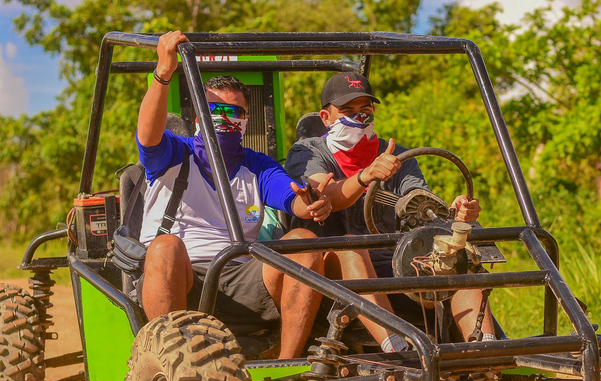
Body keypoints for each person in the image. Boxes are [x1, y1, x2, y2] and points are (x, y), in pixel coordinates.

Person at [137, 31, 336, 359]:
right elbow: (148, 135)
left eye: (236, 112)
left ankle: (288, 365)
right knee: (165, 246)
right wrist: (163, 73)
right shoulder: (174, 152)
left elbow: (294, 200)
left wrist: (313, 201)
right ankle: (171, 361)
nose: (227, 119)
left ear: (246, 120)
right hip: (182, 275)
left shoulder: (256, 165)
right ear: (199, 117)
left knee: (304, 244)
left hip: (242, 273)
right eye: (217, 109)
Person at [285, 72, 497, 343]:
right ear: (325, 117)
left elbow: (419, 205)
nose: (358, 118)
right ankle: (397, 348)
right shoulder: (308, 153)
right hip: (329, 271)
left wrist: (453, 213)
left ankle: (485, 352)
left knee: (457, 264)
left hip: (394, 265)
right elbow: (322, 195)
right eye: (347, 111)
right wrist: (366, 176)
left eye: (365, 110)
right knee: (351, 247)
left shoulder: (396, 156)